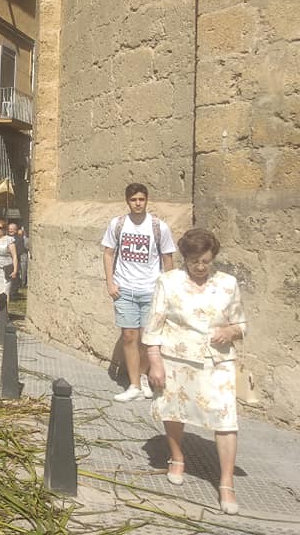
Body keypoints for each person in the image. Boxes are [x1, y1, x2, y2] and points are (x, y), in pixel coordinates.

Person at [143, 228, 246, 515]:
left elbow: (242, 324)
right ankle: (177, 457)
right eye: (194, 261)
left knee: (226, 418)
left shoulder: (228, 283)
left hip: (218, 361)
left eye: (206, 261)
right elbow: (154, 326)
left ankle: (226, 483)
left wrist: (229, 330)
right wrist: (155, 362)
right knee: (173, 409)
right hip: (176, 358)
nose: (201, 267)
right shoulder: (168, 281)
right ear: (185, 258)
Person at [102, 183, 176, 402]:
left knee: (147, 338)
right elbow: (108, 253)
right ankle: (133, 384)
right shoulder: (117, 224)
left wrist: (168, 289)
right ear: (127, 201)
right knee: (128, 336)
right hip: (125, 289)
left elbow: (167, 258)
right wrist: (110, 283)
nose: (137, 203)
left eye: (141, 199)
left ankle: (144, 376)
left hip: (150, 290)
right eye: (134, 199)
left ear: (146, 200)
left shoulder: (158, 227)